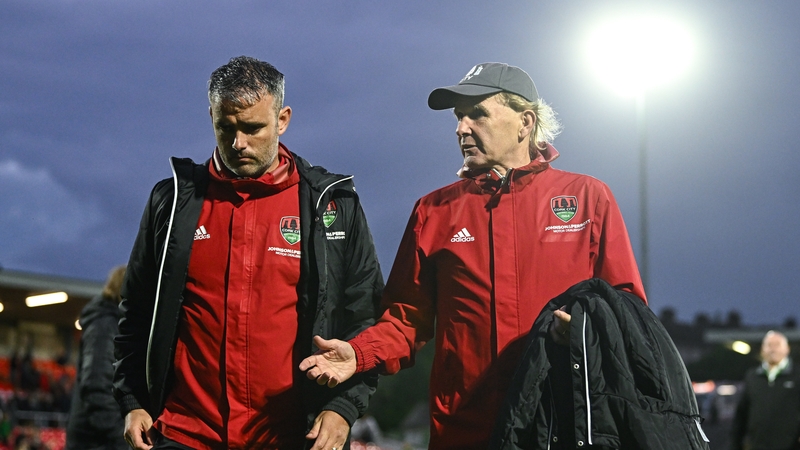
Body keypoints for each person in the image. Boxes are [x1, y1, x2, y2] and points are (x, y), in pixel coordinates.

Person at [300, 62, 645, 449]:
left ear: (525, 122)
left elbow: (627, 312)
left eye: (477, 114)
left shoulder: (587, 198)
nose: (461, 128)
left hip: (563, 425)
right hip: (464, 431)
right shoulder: (433, 211)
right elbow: (405, 320)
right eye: (459, 117)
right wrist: (358, 353)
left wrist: (582, 328)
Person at [113, 56, 384, 450]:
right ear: (211, 117)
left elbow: (364, 315)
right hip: (185, 434)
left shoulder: (332, 205)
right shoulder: (171, 202)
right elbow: (135, 311)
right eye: (226, 128)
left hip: (292, 437)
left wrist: (343, 407)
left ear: (283, 119)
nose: (238, 143)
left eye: (253, 128)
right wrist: (133, 400)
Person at [66, 265, 128, 450]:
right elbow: (96, 387)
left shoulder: (111, 322)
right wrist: (121, 439)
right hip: (95, 441)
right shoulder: (105, 324)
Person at [731, 330, 800, 450]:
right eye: (769, 345)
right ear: (762, 350)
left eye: (777, 345)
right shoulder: (752, 377)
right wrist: (735, 445)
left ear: (787, 349)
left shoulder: (797, 375)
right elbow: (741, 415)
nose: (773, 349)